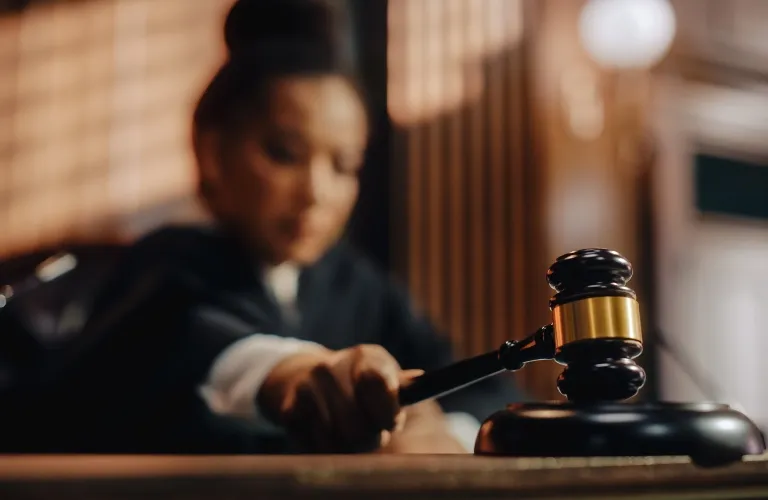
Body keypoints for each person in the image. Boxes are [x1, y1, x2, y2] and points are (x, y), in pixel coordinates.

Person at [27, 0, 524, 455]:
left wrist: (449, 434)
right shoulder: (166, 264)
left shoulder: (356, 284)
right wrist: (299, 376)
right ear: (212, 152)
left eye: (344, 166)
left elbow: (487, 389)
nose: (315, 192)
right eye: (285, 154)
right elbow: (198, 344)